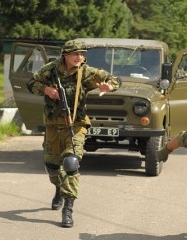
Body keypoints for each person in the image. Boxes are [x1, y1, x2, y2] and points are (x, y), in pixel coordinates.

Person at [26, 40, 122, 228]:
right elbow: (31, 82)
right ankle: (58, 188)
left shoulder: (86, 72)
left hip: (76, 125)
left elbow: (114, 79)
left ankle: (68, 208)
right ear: (65, 55)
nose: (79, 57)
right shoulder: (51, 70)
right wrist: (46, 90)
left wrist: (109, 86)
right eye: (75, 54)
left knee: (71, 163)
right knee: (52, 167)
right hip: (53, 125)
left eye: (81, 54)